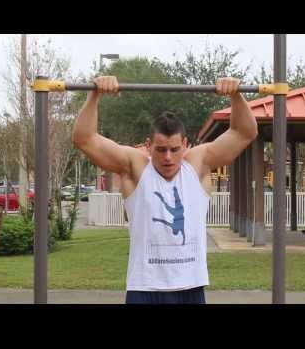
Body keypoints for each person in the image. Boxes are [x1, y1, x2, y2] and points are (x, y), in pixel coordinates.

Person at [71, 76, 257, 304]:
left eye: (174, 149)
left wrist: (235, 94)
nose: (168, 157)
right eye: (160, 150)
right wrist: (95, 94)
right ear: (149, 146)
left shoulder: (198, 165)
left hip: (190, 286)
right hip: (145, 287)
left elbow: (244, 132)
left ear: (186, 145)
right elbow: (84, 138)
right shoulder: (135, 166)